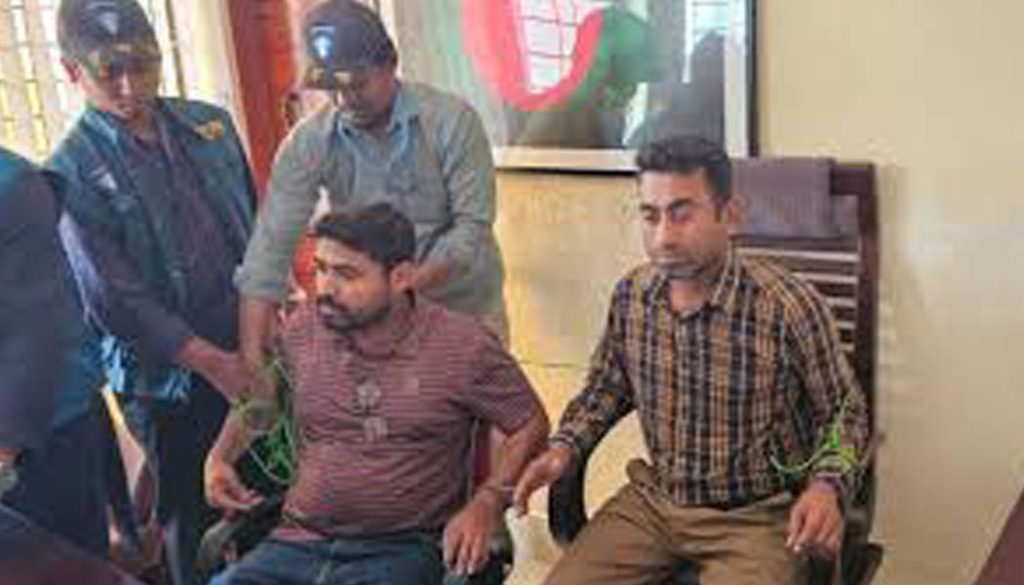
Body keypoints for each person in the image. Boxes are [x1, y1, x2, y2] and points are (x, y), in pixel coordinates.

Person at [513, 136, 870, 585]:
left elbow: (846, 415)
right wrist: (564, 447)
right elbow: (605, 390)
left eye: (682, 214)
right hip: (655, 503)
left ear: (730, 215)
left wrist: (826, 486)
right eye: (651, 215)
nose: (664, 236)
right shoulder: (632, 296)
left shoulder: (787, 306)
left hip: (755, 518)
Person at [205, 204, 548, 584]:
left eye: (346, 274)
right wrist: (220, 457)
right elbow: (262, 399)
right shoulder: (306, 328)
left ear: (400, 277)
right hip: (298, 543)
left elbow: (528, 423)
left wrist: (488, 502)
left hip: (402, 551)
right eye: (321, 269)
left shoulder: (462, 345)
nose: (326, 288)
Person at [48, 0, 257, 582]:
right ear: (71, 72)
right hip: (165, 382)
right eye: (109, 72)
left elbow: (254, 229)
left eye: (142, 66)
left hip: (248, 348)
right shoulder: (70, 170)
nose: (130, 86)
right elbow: (116, 302)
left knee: (268, 492)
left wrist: (263, 326)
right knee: (189, 515)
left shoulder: (210, 126)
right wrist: (214, 364)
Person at [235, 0, 508, 391]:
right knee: (391, 421)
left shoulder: (452, 122)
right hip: (372, 325)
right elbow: (269, 249)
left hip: (463, 309)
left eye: (357, 84)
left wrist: (397, 288)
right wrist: (251, 357)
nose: (344, 100)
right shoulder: (309, 142)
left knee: (479, 419)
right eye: (332, 89)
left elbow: (472, 231)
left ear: (391, 64)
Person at [0, 146, 109, 557]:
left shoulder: (13, 187)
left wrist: (4, 449)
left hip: (41, 435)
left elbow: (36, 333)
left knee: (60, 565)